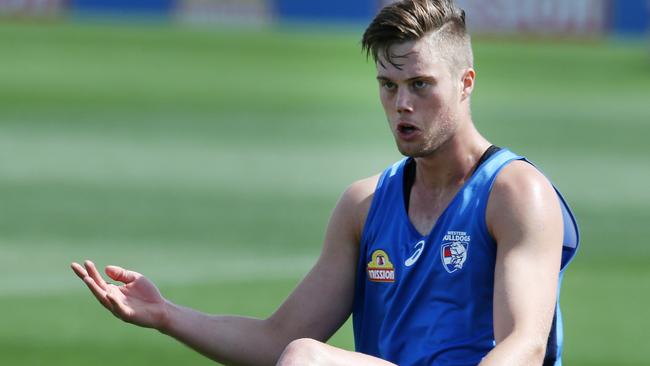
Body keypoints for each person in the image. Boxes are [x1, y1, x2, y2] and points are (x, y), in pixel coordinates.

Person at [71, 0, 579, 365]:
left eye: (420, 85)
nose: (402, 104)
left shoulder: (515, 193)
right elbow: (277, 338)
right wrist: (165, 315)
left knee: (307, 361)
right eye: (388, 86)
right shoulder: (364, 206)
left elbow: (524, 347)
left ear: (466, 83)